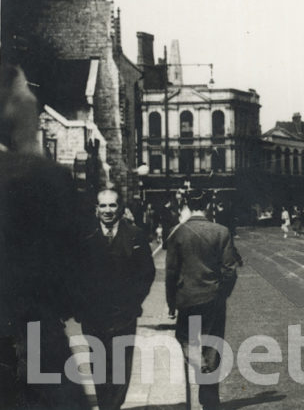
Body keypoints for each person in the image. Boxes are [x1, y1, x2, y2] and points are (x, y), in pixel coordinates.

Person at [0, 63, 90, 409]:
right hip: (31, 346)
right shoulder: (40, 179)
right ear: (9, 105)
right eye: (25, 93)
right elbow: (73, 283)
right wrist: (30, 150)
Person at [75, 189, 156, 410]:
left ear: (120, 208)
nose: (108, 211)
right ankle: (105, 405)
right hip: (94, 315)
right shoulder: (84, 236)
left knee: (120, 365)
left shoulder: (135, 235)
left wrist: (134, 301)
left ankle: (114, 405)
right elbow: (74, 274)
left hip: (124, 314)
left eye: (112, 205)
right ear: (96, 209)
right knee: (98, 363)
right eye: (103, 206)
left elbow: (147, 272)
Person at [165, 191, 241, 410]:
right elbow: (229, 270)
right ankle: (209, 399)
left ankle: (200, 366)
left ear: (187, 204)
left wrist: (171, 303)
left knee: (185, 338)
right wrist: (222, 293)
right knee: (212, 345)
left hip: (187, 298)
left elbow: (171, 272)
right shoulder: (221, 231)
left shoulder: (177, 233)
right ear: (209, 204)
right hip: (213, 298)